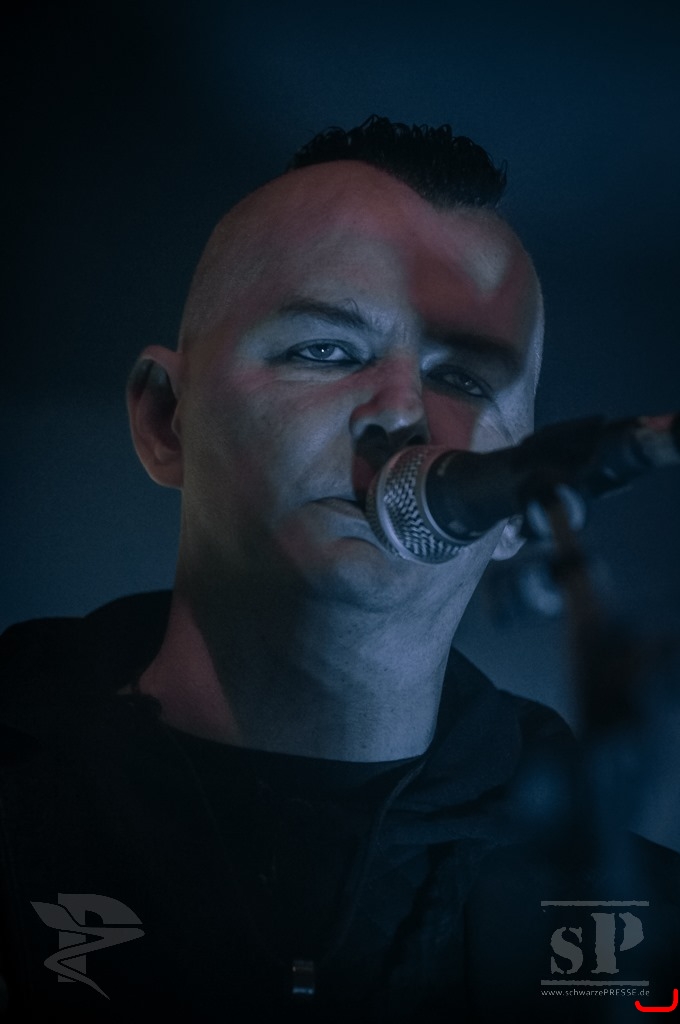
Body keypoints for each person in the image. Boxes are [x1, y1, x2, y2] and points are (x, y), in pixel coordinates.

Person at [0, 116, 676, 1023]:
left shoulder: (637, 918)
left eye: (465, 380)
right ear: (165, 420)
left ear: (522, 501)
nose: (402, 413)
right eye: (325, 350)